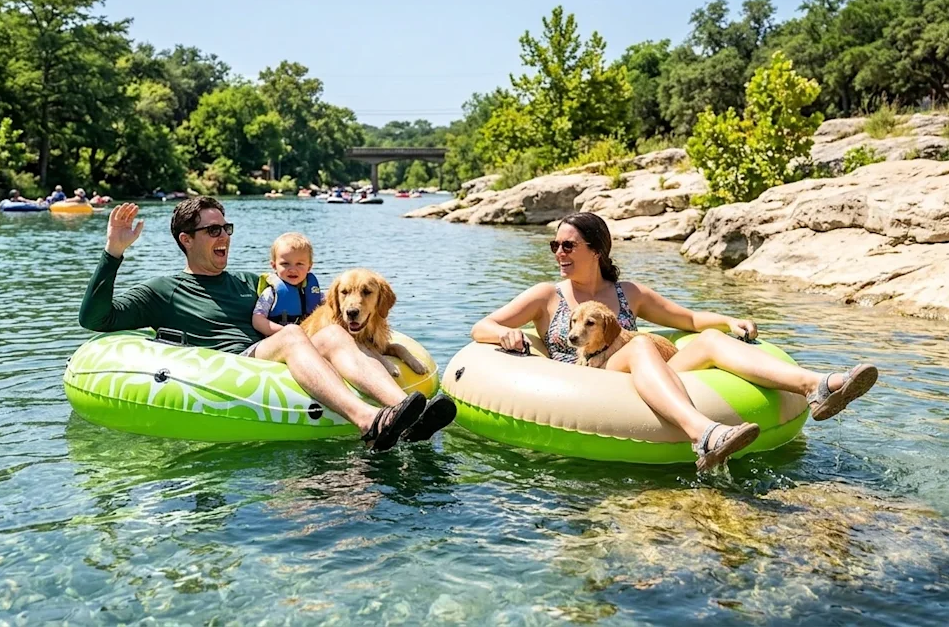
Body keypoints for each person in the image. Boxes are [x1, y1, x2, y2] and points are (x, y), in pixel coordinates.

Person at [470, 212, 879, 471]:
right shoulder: (547, 295)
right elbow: (481, 326)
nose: (559, 252)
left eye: (568, 245)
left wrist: (729, 319)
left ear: (596, 250)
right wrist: (504, 332)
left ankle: (818, 386)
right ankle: (703, 433)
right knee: (643, 344)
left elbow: (689, 319)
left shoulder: (629, 292)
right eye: (554, 245)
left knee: (709, 340)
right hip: (586, 378)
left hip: (637, 369)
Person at [78, 198, 449, 450]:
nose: (223, 236)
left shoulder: (249, 282)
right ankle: (369, 421)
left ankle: (408, 412)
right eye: (213, 231)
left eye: (226, 228)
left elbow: (310, 303)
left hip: (265, 356)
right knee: (290, 336)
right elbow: (96, 319)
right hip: (226, 368)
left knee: (332, 332)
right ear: (186, 240)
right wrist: (114, 252)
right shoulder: (164, 289)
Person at [252, 232, 322, 336]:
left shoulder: (314, 291)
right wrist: (285, 332)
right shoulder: (271, 293)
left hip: (308, 337)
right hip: (281, 340)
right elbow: (257, 320)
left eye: (299, 264)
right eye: (285, 264)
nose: (293, 269)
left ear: (309, 267)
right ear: (274, 266)